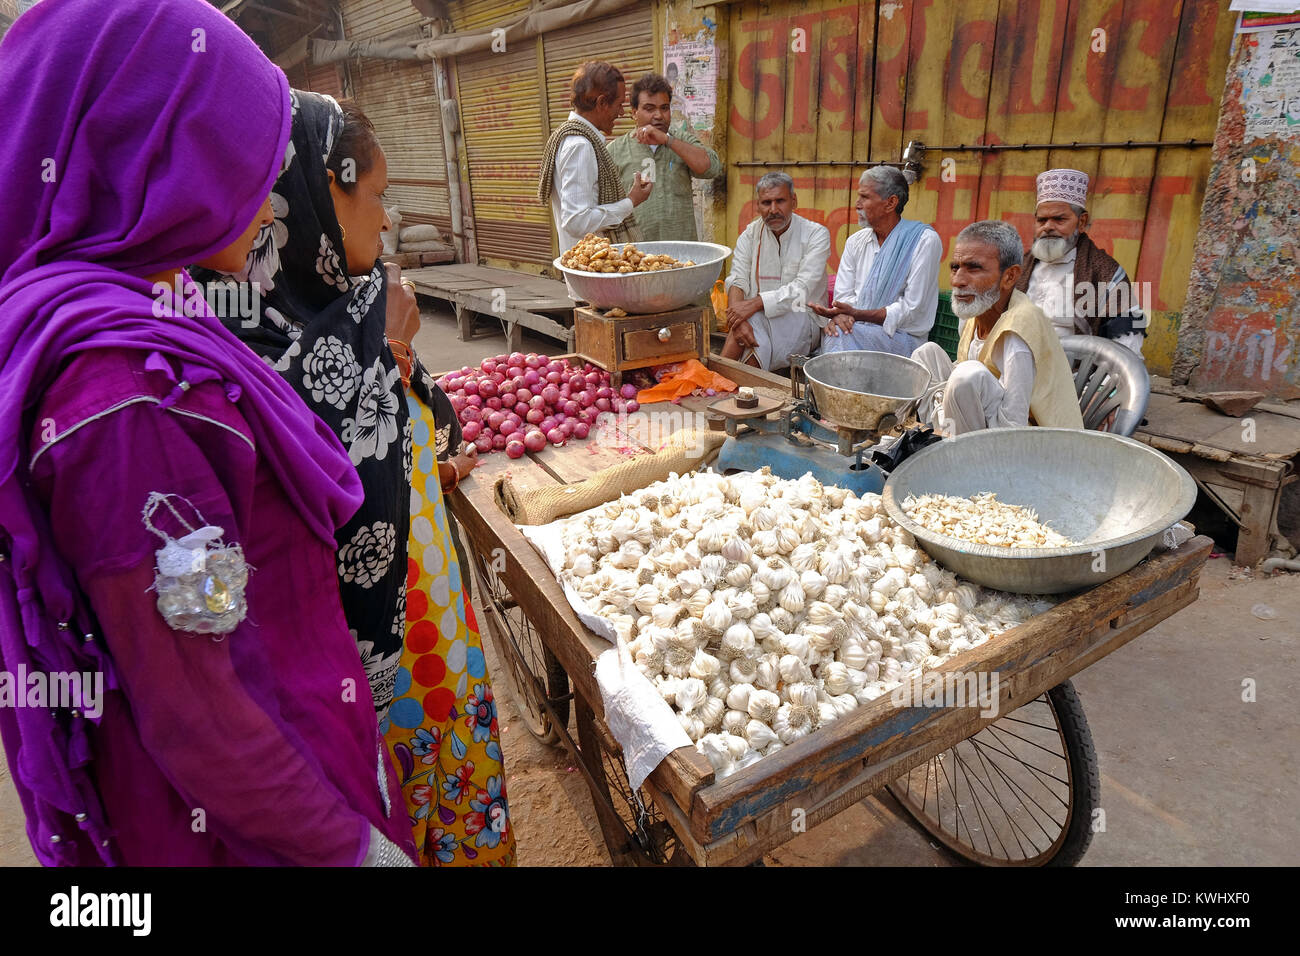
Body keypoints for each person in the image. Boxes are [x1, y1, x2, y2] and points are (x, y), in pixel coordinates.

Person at [0, 0, 414, 866]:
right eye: (237, 157)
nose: (270, 200)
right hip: (261, 826)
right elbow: (199, 710)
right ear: (152, 155)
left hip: (306, 745)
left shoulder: (154, 319)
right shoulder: (119, 401)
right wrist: (352, 851)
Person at [195, 94, 514, 866]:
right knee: (397, 807)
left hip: (433, 626)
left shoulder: (358, 305)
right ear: (316, 197)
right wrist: (386, 353)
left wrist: (424, 453)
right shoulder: (238, 336)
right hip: (358, 662)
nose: (388, 216)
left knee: (455, 792)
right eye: (373, 194)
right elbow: (315, 497)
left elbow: (401, 437)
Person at [911, 221, 1084, 435]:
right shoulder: (974, 310)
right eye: (955, 267)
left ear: (1009, 276)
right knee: (926, 355)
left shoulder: (1018, 331)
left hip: (1029, 444)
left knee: (967, 376)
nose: (958, 280)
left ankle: (955, 450)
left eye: (974, 268)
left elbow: (1013, 427)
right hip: (979, 424)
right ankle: (944, 435)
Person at [814, 166, 942, 357]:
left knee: (840, 335)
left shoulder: (924, 241)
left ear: (890, 203)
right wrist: (844, 315)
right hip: (857, 328)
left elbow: (912, 309)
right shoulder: (855, 242)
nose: (857, 204)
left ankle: (835, 387)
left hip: (903, 339)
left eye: (864, 197)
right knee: (835, 330)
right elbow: (843, 296)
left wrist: (856, 315)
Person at [1016, 168, 1146, 356]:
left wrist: (1108, 380)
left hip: (1074, 375)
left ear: (1081, 222)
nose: (1048, 227)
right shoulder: (1019, 266)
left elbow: (1129, 328)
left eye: (1059, 219)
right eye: (1041, 220)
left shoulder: (1104, 271)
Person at [538, 61, 652, 258]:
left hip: (591, 272)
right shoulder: (580, 146)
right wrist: (631, 201)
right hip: (594, 274)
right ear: (601, 103)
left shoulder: (570, 138)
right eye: (619, 105)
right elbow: (576, 221)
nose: (622, 113)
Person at [721, 172, 830, 371]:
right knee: (750, 326)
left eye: (780, 201)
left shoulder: (816, 234)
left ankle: (718, 382)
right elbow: (738, 278)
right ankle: (727, 385)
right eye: (766, 203)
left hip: (803, 315)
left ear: (793, 201)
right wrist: (738, 320)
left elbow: (802, 289)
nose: (773, 210)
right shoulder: (750, 234)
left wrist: (753, 306)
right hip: (754, 318)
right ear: (758, 206)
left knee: (753, 325)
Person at [607, 73, 723, 242]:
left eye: (664, 108)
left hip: (681, 255)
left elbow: (711, 168)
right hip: (635, 257)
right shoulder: (615, 150)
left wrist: (668, 140)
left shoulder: (681, 140)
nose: (658, 115)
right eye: (649, 108)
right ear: (634, 113)